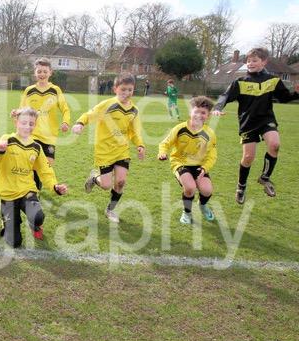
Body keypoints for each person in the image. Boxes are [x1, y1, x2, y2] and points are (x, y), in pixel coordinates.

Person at [212, 47, 299, 204]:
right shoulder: (240, 82)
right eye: (248, 61)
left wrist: (297, 93)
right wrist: (218, 108)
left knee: (275, 145)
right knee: (248, 157)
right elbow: (225, 96)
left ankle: (265, 178)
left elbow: (284, 98)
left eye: (254, 60)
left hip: (266, 119)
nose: (250, 63)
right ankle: (241, 186)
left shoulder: (273, 80)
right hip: (248, 123)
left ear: (264, 62)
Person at [0, 107, 68, 247]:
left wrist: (55, 186)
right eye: (24, 123)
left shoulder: (36, 147)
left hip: (27, 190)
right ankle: (7, 222)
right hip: (7, 194)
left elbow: (45, 171)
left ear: (35, 125)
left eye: (31, 123)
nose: (27, 126)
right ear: (16, 122)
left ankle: (32, 223)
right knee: (14, 242)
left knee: (38, 217)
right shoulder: (7, 140)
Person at [72, 72, 145, 223]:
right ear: (115, 89)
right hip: (104, 151)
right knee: (106, 185)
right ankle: (94, 178)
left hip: (122, 150)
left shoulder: (134, 110)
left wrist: (140, 145)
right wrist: (80, 123)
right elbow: (90, 114)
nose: (126, 93)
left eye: (130, 90)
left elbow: (134, 132)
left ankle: (110, 210)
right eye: (123, 89)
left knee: (120, 182)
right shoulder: (108, 105)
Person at [159, 96, 217, 224]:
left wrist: (205, 168)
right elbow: (165, 143)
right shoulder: (180, 128)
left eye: (203, 113)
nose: (199, 115)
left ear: (208, 116)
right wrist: (162, 152)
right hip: (180, 162)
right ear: (190, 112)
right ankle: (187, 213)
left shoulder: (210, 133)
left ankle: (202, 205)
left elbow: (212, 155)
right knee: (190, 188)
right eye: (196, 111)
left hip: (199, 165)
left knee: (207, 191)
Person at [18, 57, 70, 189]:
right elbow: (22, 110)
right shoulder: (29, 90)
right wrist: (16, 113)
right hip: (32, 133)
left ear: (50, 72)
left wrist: (65, 122)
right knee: (33, 162)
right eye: (39, 71)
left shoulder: (55, 90)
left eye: (45, 71)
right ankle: (33, 190)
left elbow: (65, 108)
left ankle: (35, 185)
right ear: (35, 73)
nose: (42, 74)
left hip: (49, 135)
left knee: (48, 165)